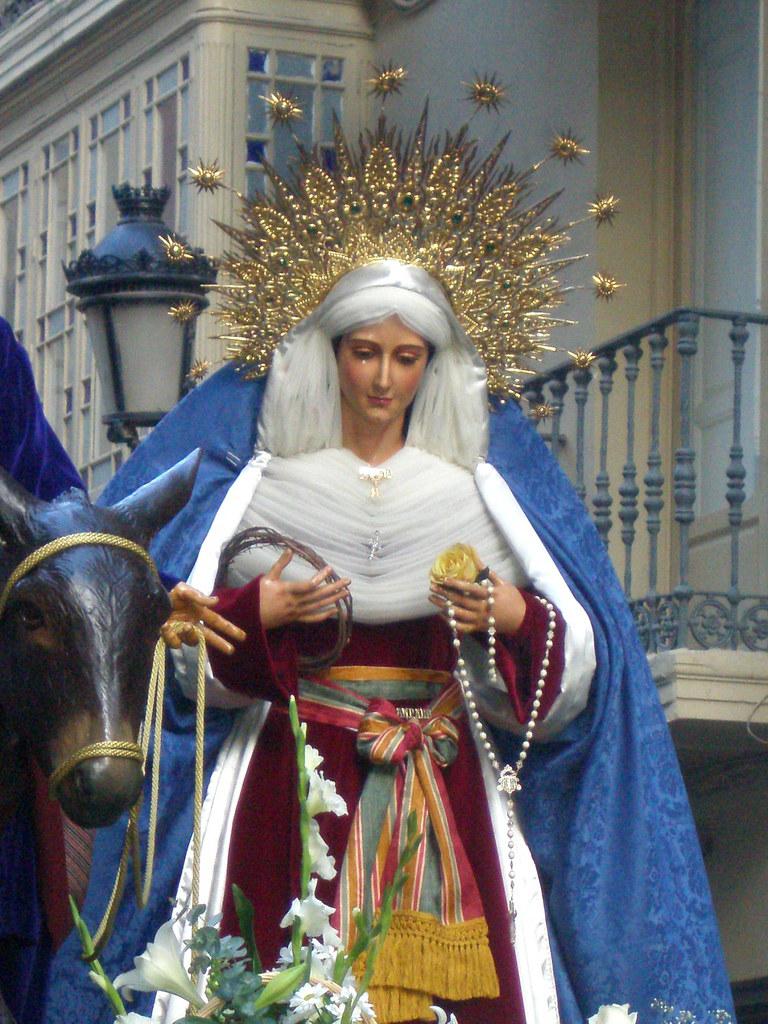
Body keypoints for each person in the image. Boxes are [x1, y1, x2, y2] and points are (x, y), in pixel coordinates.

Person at [49, 121, 735, 1024]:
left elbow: (572, 688)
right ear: (328, 352)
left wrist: (509, 617)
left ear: (433, 366)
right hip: (282, 793)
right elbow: (178, 671)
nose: (381, 379)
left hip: (445, 783)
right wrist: (264, 614)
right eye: (363, 352)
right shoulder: (260, 482)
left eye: (404, 358)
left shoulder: (484, 488)